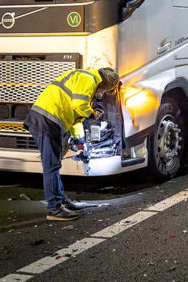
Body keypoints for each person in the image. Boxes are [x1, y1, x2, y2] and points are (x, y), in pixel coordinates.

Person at [24, 67, 120, 220]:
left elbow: (76, 119)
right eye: (104, 91)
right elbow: (79, 106)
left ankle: (61, 201)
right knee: (51, 166)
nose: (101, 94)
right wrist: (93, 116)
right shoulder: (88, 79)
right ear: (103, 84)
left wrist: (79, 141)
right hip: (46, 120)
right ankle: (54, 209)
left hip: (49, 120)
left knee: (54, 165)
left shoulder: (84, 81)